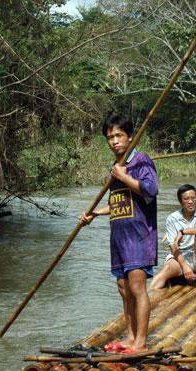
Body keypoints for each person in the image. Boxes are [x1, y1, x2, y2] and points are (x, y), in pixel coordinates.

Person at [79, 114, 157, 354]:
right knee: (123, 288)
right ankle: (130, 337)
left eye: (119, 136)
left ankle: (141, 342)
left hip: (139, 235)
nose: (114, 141)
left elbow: (150, 190)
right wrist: (95, 213)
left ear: (130, 137)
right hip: (119, 235)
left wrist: (124, 176)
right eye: (110, 137)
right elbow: (119, 202)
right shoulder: (114, 167)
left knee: (136, 287)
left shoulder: (141, 161)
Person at [150, 184, 196, 292]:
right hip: (183, 256)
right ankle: (149, 296)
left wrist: (183, 232)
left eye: (193, 198)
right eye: (186, 199)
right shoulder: (172, 218)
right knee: (165, 270)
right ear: (181, 202)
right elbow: (173, 246)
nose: (190, 201)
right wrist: (184, 266)